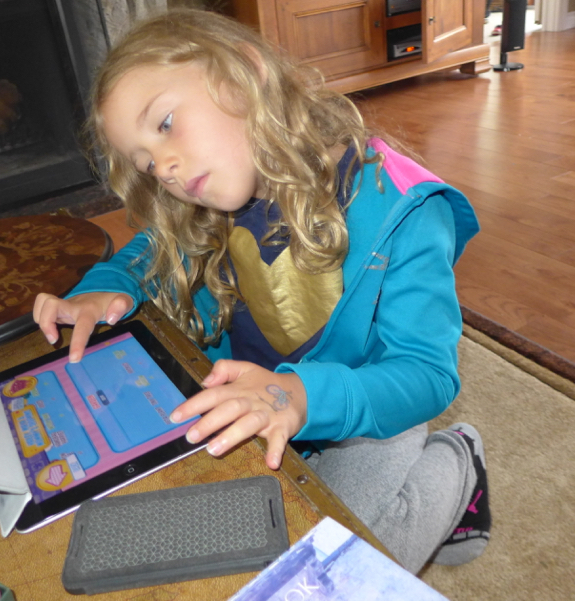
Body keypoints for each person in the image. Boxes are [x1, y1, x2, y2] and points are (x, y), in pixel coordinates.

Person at [33, 8, 489, 574]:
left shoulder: (407, 210)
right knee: (233, 543)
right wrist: (102, 288)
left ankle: (459, 457)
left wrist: (300, 398)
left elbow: (427, 374)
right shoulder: (210, 198)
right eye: (145, 163)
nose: (164, 167)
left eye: (167, 123)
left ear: (245, 73)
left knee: (334, 572)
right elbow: (143, 255)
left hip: (369, 411)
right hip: (261, 410)